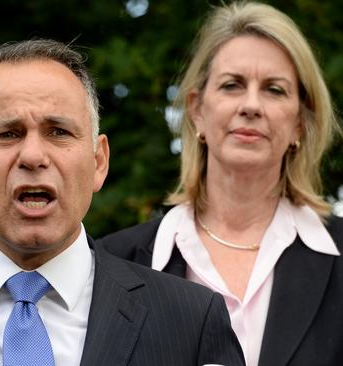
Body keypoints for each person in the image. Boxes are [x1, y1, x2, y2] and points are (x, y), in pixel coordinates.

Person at [0, 39, 244, 366]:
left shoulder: (190, 321)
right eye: (7, 134)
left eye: (57, 131)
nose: (33, 156)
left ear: (98, 161)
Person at [100, 2, 343, 365]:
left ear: (299, 123)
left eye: (274, 90)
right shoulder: (110, 263)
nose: (251, 105)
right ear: (197, 109)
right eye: (232, 85)